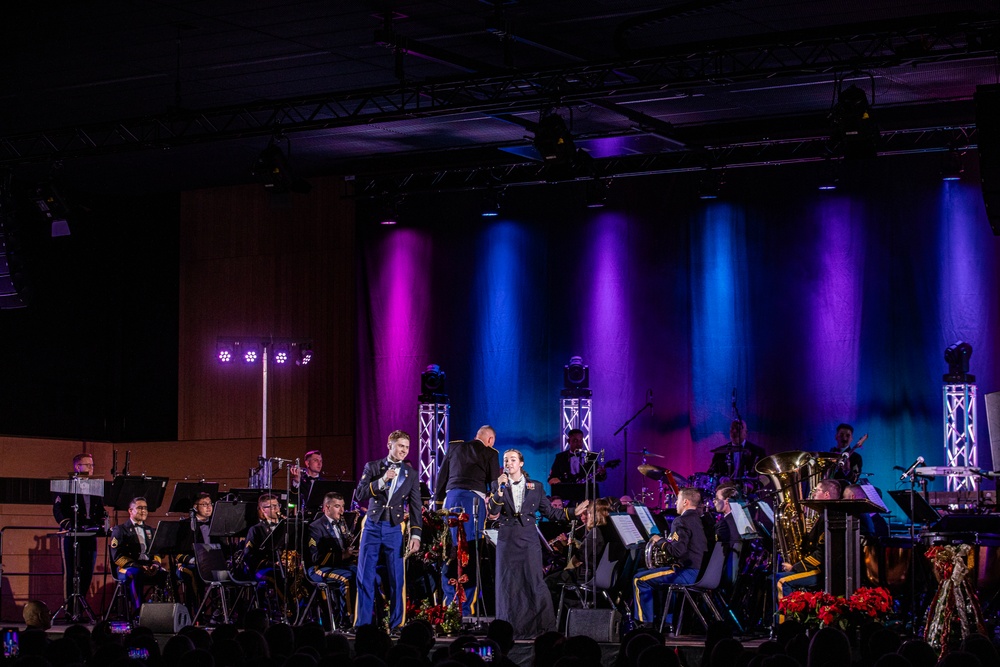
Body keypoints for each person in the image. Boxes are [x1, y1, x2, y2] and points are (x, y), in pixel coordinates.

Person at [488, 448, 583, 639]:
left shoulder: (536, 487)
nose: (508, 463)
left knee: (534, 581)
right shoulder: (497, 485)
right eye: (506, 460)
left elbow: (551, 513)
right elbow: (492, 511)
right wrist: (499, 490)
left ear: (521, 463)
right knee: (508, 584)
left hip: (528, 539)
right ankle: (509, 629)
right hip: (507, 540)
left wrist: (572, 512)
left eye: (513, 460)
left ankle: (541, 629)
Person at [354, 429, 423, 631]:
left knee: (396, 579)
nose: (404, 450)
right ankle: (363, 624)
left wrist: (416, 534)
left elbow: (416, 506)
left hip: (394, 528)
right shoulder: (373, 466)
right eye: (400, 446)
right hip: (373, 526)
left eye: (407, 447)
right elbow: (360, 494)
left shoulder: (411, 474)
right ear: (389, 445)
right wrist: (382, 480)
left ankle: (396, 624)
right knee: (365, 576)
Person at [433, 425, 501, 615]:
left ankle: (448, 607)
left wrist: (438, 507)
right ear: (490, 440)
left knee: (451, 550)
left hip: (451, 500)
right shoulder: (491, 453)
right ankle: (465, 609)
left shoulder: (454, 447)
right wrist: (495, 508)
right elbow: (494, 484)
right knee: (470, 552)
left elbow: (441, 478)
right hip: (473, 503)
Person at [632, 487, 709, 627]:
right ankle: (667, 621)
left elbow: (677, 551)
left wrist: (660, 540)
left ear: (685, 502)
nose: (676, 503)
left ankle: (644, 625)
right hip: (703, 572)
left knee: (639, 579)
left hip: (688, 572)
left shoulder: (681, 520)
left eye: (678, 500)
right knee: (656, 577)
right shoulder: (699, 520)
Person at [52, 453, 107, 620]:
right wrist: (66, 524)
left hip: (90, 533)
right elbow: (57, 509)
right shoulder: (67, 486)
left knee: (88, 571)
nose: (91, 468)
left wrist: (103, 519)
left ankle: (81, 607)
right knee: (72, 571)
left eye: (92, 465)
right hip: (73, 534)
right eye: (87, 465)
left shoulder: (95, 486)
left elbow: (100, 508)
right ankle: (71, 609)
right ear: (77, 467)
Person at [776, 479, 841, 602]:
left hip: (822, 570)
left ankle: (788, 620)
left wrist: (795, 568)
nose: (813, 494)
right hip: (816, 567)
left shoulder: (829, 516)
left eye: (817, 491)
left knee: (781, 580)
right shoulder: (823, 515)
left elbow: (821, 554)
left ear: (827, 495)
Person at [307, 491, 358, 626]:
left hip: (339, 565)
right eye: (337, 506)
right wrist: (342, 555)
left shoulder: (342, 524)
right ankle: (347, 620)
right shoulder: (315, 527)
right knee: (347, 578)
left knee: (365, 573)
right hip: (319, 568)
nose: (342, 511)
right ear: (327, 508)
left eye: (343, 506)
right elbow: (315, 557)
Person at [110, 497, 166, 611]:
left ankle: (162, 611)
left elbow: (157, 552)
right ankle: (138, 612)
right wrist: (139, 566)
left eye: (145, 508)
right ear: (130, 511)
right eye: (140, 508)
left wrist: (155, 565)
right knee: (135, 573)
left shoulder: (151, 530)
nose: (144, 511)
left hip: (148, 565)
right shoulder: (120, 530)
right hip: (127, 567)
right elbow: (117, 557)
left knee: (165, 575)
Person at [175, 492, 216, 609]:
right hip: (190, 564)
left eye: (210, 504)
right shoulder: (185, 525)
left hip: (213, 563)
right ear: (195, 507)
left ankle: (221, 611)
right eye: (204, 504)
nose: (208, 507)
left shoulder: (216, 523)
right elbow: (177, 551)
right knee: (194, 574)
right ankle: (198, 611)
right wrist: (194, 560)